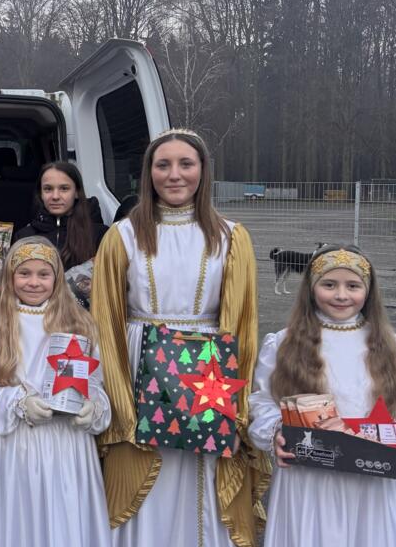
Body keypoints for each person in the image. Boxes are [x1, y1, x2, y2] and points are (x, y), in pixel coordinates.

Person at [90, 128, 268, 547]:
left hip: (207, 370)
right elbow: (105, 320)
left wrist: (233, 400)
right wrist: (119, 397)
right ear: (148, 172)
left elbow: (242, 323)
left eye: (186, 164)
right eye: (162, 164)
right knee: (144, 471)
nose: (174, 175)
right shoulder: (122, 237)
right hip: (138, 365)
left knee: (198, 474)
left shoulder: (231, 237)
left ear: (203, 171)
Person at [249, 245, 396, 546]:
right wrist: (275, 432)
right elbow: (262, 402)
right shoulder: (282, 345)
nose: (341, 295)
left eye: (353, 286)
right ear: (311, 288)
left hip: (376, 484)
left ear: (369, 291)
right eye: (329, 284)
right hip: (309, 481)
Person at [0, 236, 112, 547]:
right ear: (10, 277)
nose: (34, 282)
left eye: (43, 274)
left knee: (66, 520)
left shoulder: (80, 324)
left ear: (57, 279)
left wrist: (93, 407)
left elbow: (95, 381)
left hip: (67, 444)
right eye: (24, 273)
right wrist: (18, 402)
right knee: (18, 522)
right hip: (17, 444)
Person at [15, 161, 107, 268]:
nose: (55, 196)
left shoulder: (99, 235)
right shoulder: (24, 237)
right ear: (41, 194)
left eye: (64, 188)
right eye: (48, 189)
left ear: (77, 192)